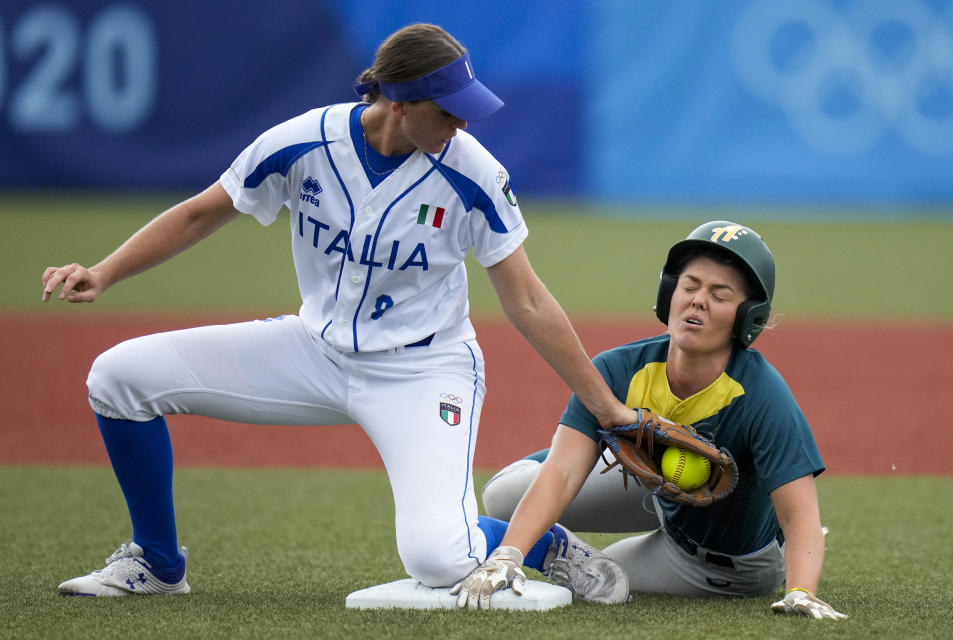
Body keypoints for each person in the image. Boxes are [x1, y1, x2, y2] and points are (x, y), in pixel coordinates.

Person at [42, 23, 637, 597]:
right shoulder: (304, 141)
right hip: (314, 350)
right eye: (448, 107)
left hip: (423, 370)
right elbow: (202, 212)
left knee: (438, 559)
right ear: (400, 100)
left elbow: (528, 300)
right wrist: (104, 272)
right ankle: (156, 563)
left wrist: (607, 409)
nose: (461, 121)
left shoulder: (472, 172)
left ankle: (544, 546)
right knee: (118, 378)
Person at [460, 221, 848, 620]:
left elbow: (799, 514)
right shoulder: (619, 368)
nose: (698, 300)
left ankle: (568, 550)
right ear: (669, 293)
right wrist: (510, 554)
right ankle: (548, 542)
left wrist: (801, 591)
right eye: (690, 285)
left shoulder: (762, 394)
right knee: (504, 496)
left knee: (605, 576)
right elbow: (561, 471)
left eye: (720, 294)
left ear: (748, 316)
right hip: (661, 500)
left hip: (718, 564)